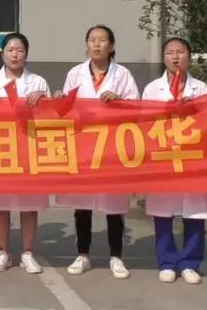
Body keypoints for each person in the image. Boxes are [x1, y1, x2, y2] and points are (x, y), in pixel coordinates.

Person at [55, 24, 140, 279]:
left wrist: (119, 100)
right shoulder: (75, 73)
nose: (96, 44)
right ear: (86, 45)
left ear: (111, 47)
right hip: (83, 146)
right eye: (92, 39)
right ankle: (83, 254)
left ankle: (116, 256)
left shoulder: (122, 74)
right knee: (82, 205)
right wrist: (59, 98)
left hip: (112, 147)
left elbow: (137, 107)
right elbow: (64, 110)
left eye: (102, 40)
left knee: (114, 204)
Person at [142, 37, 207, 285]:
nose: (175, 57)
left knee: (195, 213)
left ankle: (191, 263)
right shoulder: (152, 89)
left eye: (180, 52)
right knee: (163, 213)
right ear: (164, 58)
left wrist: (192, 110)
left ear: (189, 57)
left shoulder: (201, 89)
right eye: (170, 52)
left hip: (193, 159)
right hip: (163, 158)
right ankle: (167, 262)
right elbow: (143, 122)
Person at [0, 32, 49, 275]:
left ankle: (27, 253)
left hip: (29, 147)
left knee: (29, 205)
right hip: (0, 148)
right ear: (2, 54)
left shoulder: (38, 82)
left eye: (19, 50)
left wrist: (43, 99)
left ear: (26, 54)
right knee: (1, 205)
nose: (15, 55)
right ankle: (3, 252)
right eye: (10, 50)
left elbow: (50, 117)